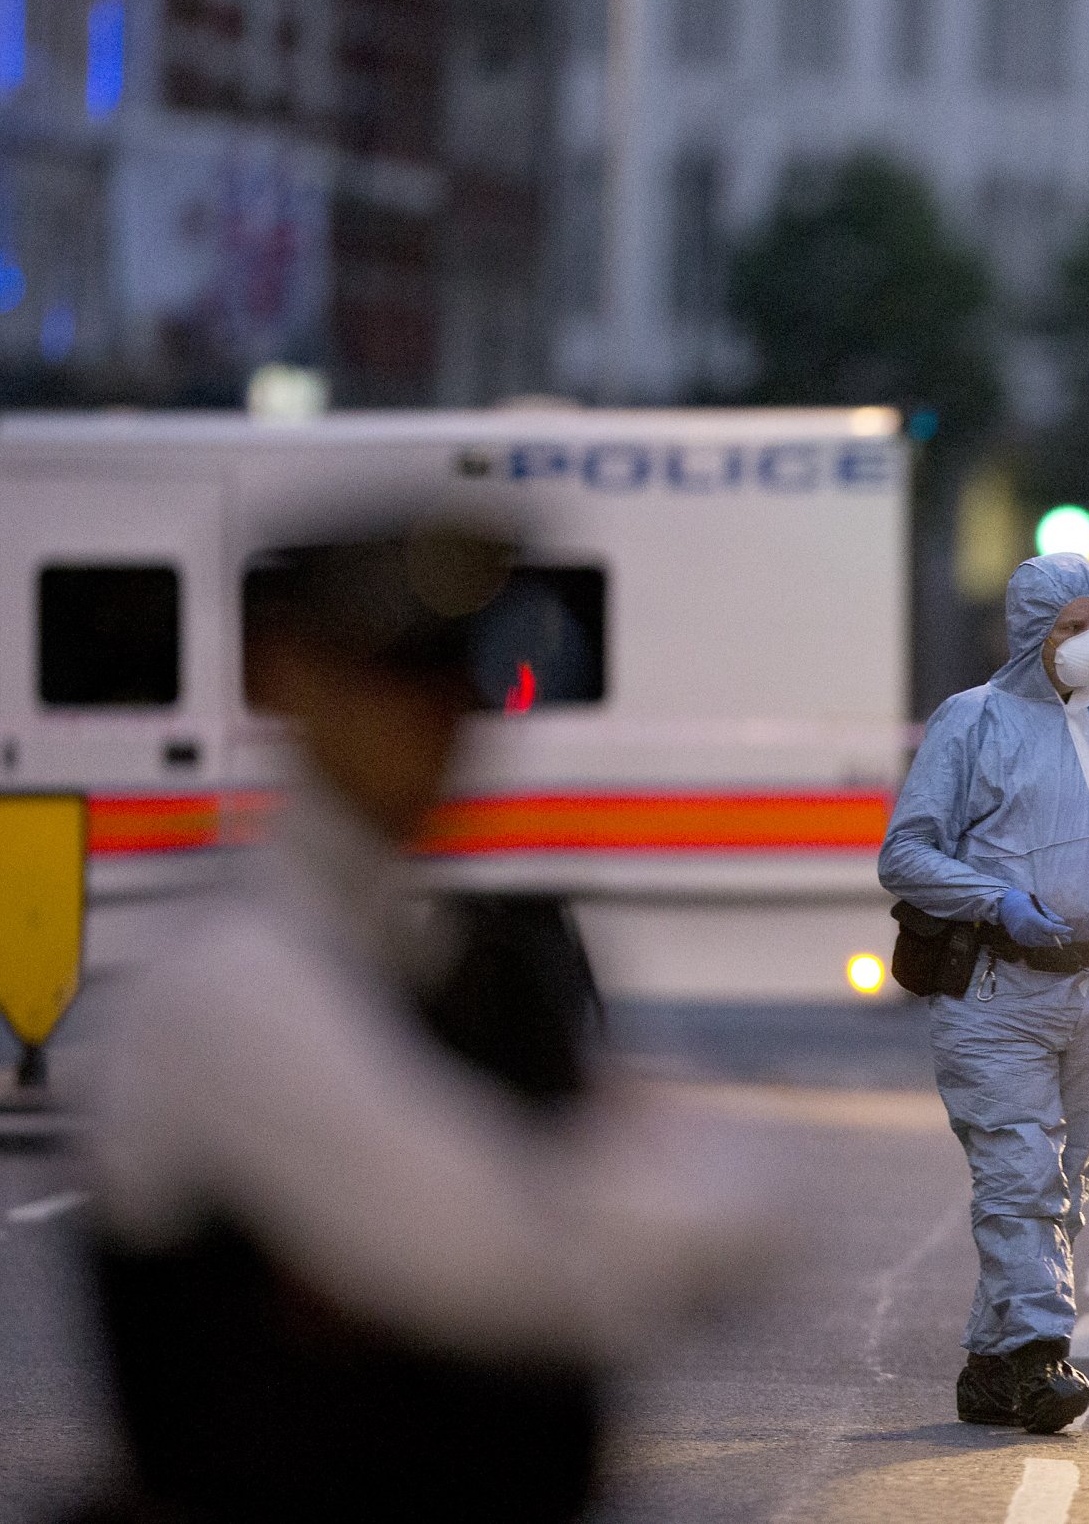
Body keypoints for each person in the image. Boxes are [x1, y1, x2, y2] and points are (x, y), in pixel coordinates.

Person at [79, 513, 760, 1524]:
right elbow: (496, 1261)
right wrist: (613, 1208)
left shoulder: (455, 943)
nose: (435, 723)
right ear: (285, 678)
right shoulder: (229, 975)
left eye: (455, 685)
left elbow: (738, 1200)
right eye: (388, 677)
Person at [879, 552, 1089, 1434]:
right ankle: (1042, 1359)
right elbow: (905, 855)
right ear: (1031, 631)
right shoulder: (974, 723)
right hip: (999, 992)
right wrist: (995, 899)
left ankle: (990, 1366)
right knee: (1017, 1174)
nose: (1087, 643)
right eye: (1070, 627)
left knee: (1068, 1182)